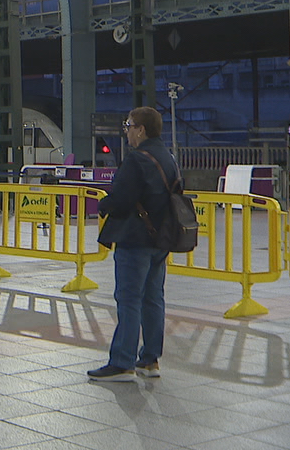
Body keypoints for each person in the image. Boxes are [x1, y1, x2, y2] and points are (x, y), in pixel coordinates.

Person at [89, 106, 178, 381]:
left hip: (134, 239)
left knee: (128, 299)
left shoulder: (136, 160)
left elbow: (122, 201)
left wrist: (104, 203)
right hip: (160, 239)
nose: (126, 130)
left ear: (141, 129)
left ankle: (122, 362)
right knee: (153, 298)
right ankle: (149, 360)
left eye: (128, 125)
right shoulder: (168, 157)